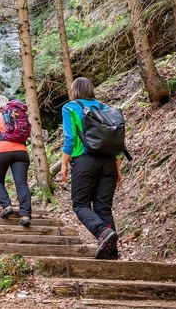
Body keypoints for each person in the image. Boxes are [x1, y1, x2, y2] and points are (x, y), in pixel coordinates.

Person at [60, 77, 122, 260]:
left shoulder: (70, 107)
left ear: (75, 91)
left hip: (85, 161)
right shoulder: (105, 108)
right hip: (109, 162)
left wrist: (64, 163)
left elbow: (70, 139)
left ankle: (103, 232)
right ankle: (112, 253)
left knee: (80, 204)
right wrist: (118, 168)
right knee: (103, 209)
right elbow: (117, 141)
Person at [0, 95, 32, 227]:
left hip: (1, 151)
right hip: (21, 152)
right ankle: (25, 215)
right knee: (22, 184)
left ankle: (7, 206)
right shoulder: (17, 115)